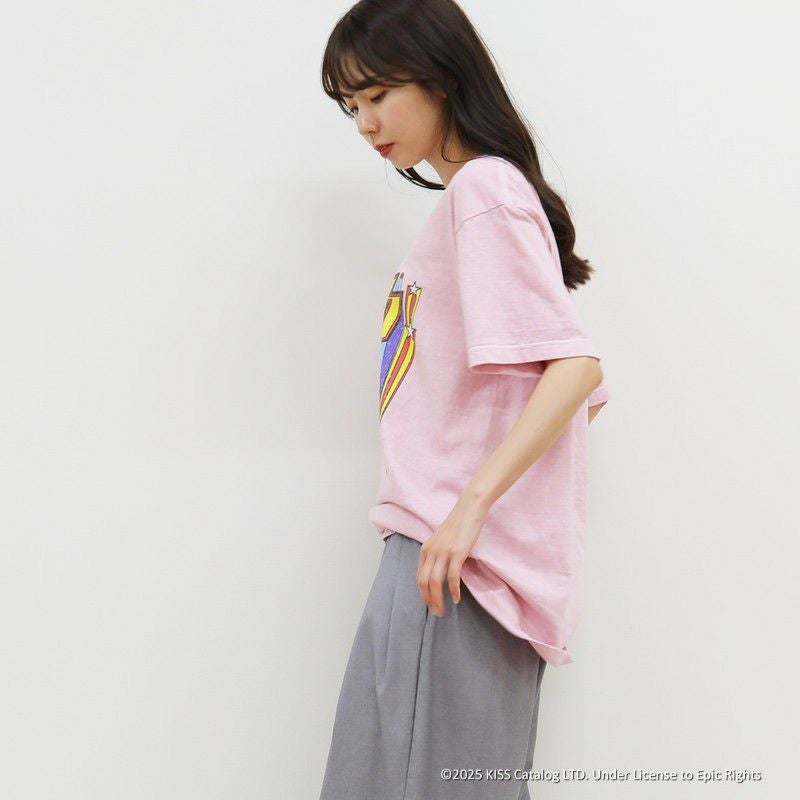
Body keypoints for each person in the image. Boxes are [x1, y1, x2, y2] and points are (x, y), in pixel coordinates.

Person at [318, 1, 610, 798]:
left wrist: (469, 507)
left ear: (441, 78)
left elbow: (576, 371)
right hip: (452, 557)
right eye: (350, 106)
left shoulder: (482, 190)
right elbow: (577, 392)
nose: (365, 124)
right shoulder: (480, 199)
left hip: (453, 563)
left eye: (378, 94)